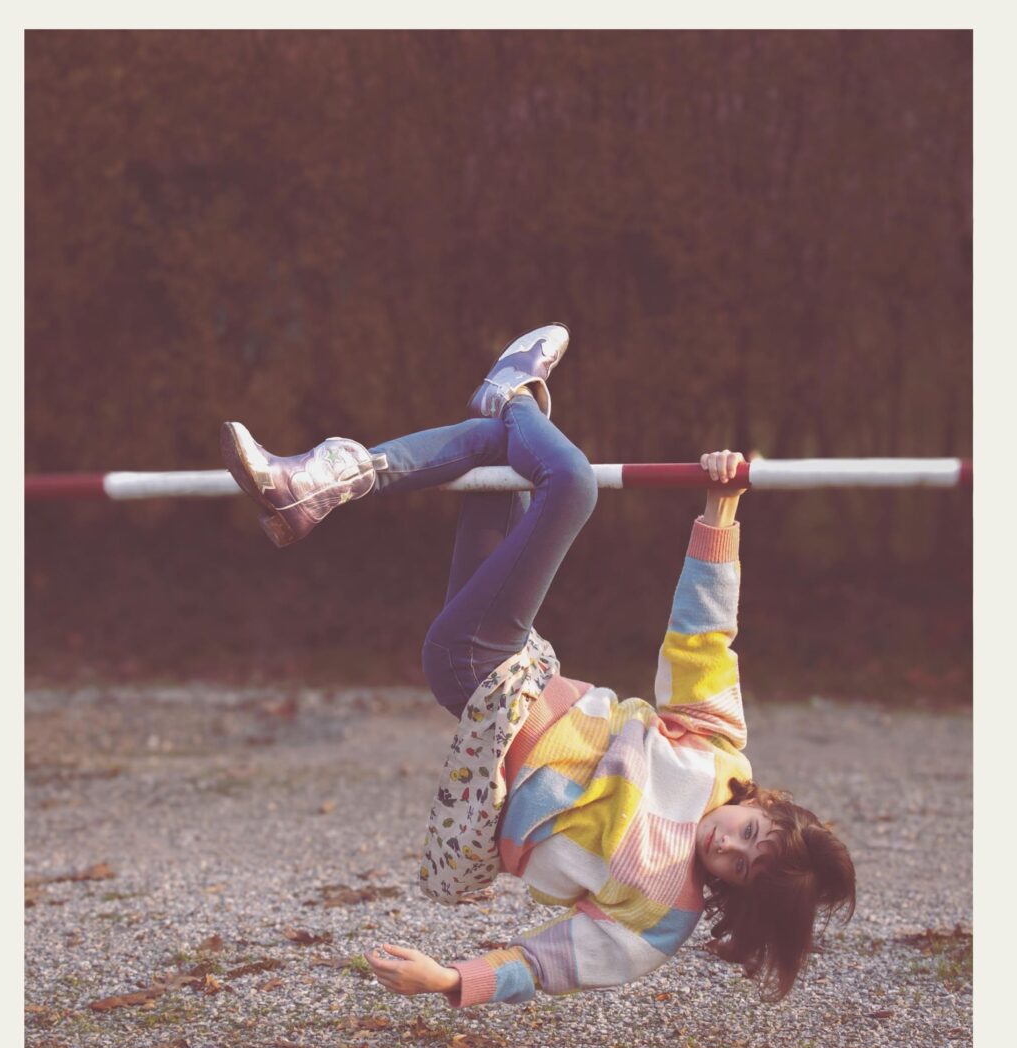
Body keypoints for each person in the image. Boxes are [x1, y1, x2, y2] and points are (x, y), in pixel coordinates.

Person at [224, 325, 855, 1009]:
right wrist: (720, 512)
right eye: (750, 833)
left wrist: (452, 980)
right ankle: (310, 487)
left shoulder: (662, 913)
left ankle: (514, 393)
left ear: (736, 891)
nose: (728, 846)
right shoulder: (718, 755)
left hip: (483, 680)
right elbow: (702, 640)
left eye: (740, 868)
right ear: (764, 805)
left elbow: (552, 960)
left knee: (572, 484)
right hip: (521, 670)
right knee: (494, 451)